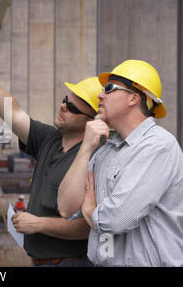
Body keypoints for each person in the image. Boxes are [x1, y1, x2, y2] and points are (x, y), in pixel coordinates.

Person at [0, 41, 102, 267]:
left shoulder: (95, 159)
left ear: (91, 122)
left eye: (72, 108)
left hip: (72, 262)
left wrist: (39, 224)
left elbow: (90, 226)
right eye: (65, 101)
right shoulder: (50, 139)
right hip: (41, 261)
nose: (63, 107)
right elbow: (13, 112)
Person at [58, 60, 183, 267]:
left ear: (134, 98)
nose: (100, 95)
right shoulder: (105, 152)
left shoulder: (158, 147)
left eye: (109, 89)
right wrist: (86, 147)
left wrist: (89, 209)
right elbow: (65, 207)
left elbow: (116, 219)